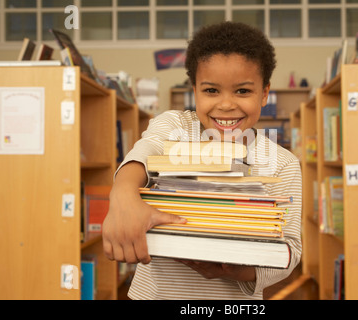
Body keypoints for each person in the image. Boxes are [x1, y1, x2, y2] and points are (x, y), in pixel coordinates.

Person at [102, 21, 302, 300]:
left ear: (265, 93)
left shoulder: (283, 164)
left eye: (242, 91)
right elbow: (146, 151)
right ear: (194, 90)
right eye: (211, 91)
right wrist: (123, 192)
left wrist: (231, 270)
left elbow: (289, 252)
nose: (226, 104)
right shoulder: (174, 126)